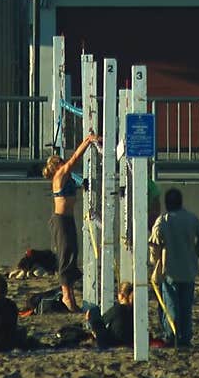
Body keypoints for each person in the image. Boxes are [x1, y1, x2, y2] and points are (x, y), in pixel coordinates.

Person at [42, 131, 99, 312]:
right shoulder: (59, 176)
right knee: (66, 255)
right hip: (60, 221)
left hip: (68, 219)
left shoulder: (66, 178)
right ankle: (66, 295)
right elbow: (75, 158)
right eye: (61, 161)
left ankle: (71, 294)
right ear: (56, 166)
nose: (64, 163)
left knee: (73, 253)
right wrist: (88, 141)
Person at [149, 187, 199, 348]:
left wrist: (155, 262)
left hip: (170, 269)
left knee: (171, 305)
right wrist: (195, 253)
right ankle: (186, 337)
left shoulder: (163, 220)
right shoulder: (191, 218)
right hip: (189, 269)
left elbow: (154, 243)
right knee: (186, 305)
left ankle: (171, 335)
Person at [85, 279, 134, 350]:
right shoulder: (134, 310)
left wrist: (90, 319)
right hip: (129, 339)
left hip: (114, 341)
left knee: (94, 312)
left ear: (121, 296)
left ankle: (91, 331)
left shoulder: (117, 308)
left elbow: (102, 321)